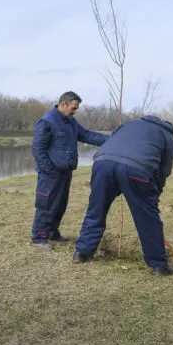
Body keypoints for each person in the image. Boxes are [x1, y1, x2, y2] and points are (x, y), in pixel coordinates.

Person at [73, 115, 173, 275]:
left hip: (103, 164)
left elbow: (112, 142)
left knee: (96, 210)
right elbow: (164, 171)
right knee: (148, 219)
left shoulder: (130, 124)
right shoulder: (169, 138)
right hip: (137, 170)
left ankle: (82, 253)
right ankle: (158, 265)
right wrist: (155, 192)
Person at [31, 91, 109, 250]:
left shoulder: (71, 122)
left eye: (76, 109)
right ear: (63, 104)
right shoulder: (46, 122)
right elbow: (38, 150)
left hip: (66, 172)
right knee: (46, 204)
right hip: (51, 173)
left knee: (60, 204)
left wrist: (112, 139)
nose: (75, 112)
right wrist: (49, 170)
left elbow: (87, 135)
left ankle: (52, 232)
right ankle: (39, 238)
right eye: (73, 108)